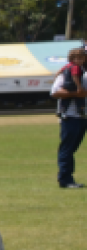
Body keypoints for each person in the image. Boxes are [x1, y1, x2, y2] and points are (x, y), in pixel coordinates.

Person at [52, 49, 87, 188]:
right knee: (68, 148)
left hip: (84, 116)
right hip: (71, 116)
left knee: (72, 148)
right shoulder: (67, 71)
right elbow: (55, 92)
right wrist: (78, 93)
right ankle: (65, 180)